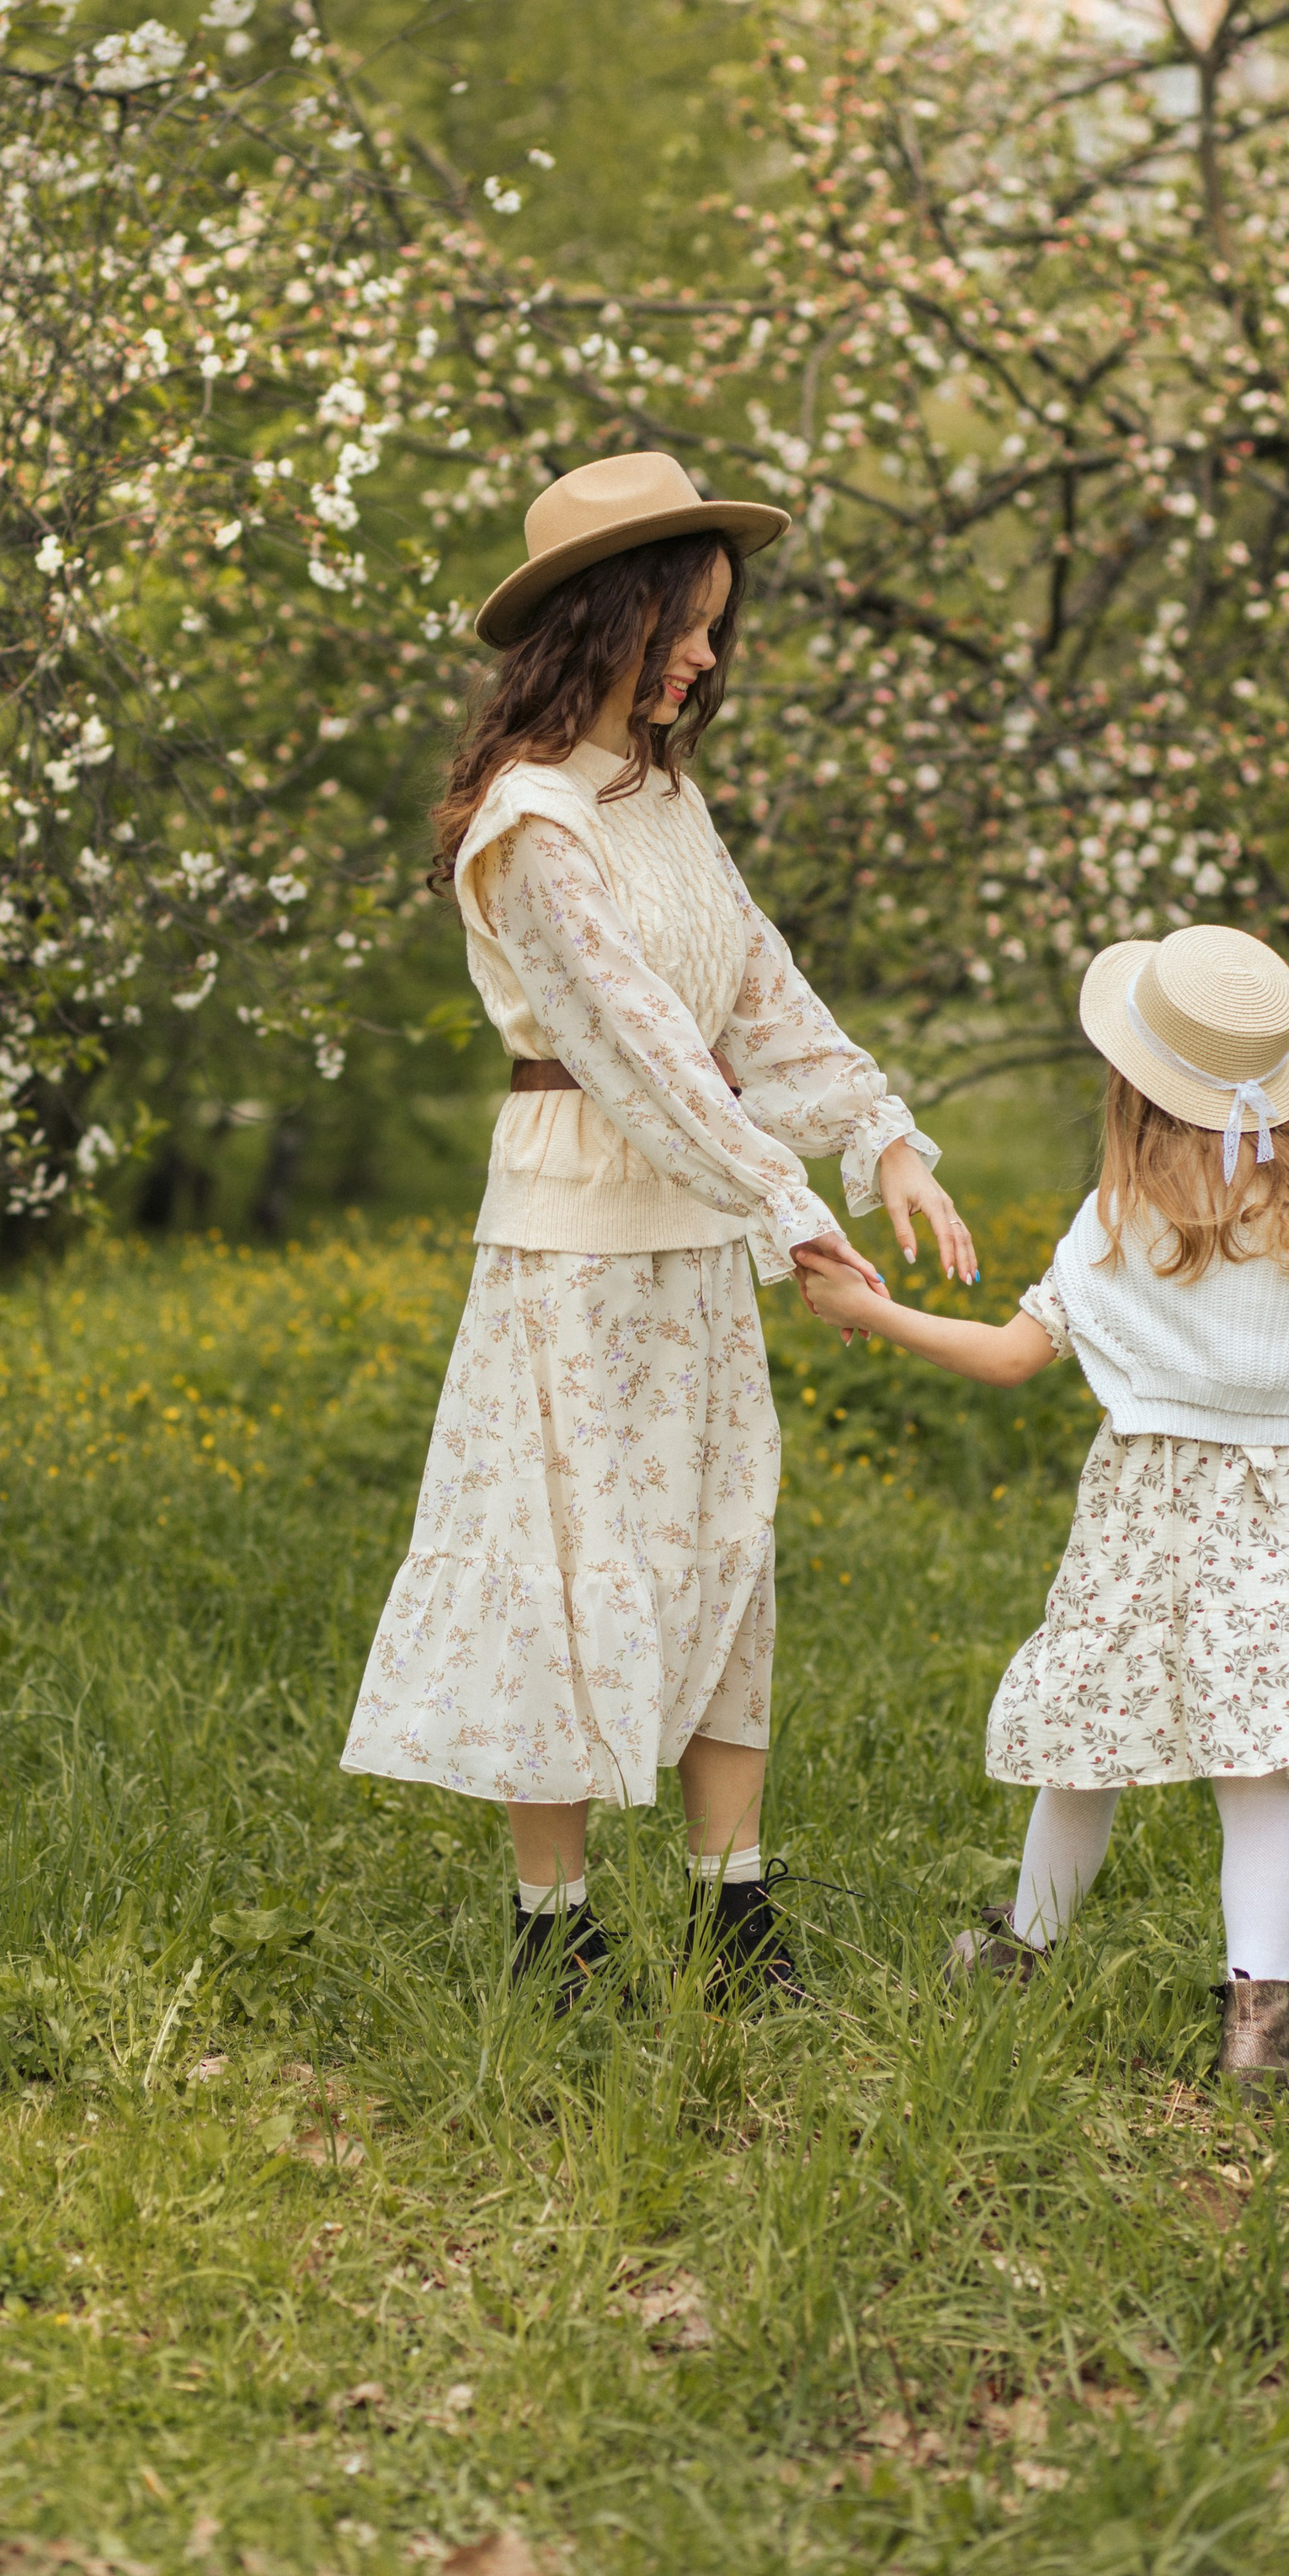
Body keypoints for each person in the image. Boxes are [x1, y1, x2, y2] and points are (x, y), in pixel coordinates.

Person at [340, 449, 975, 1999]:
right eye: (684, 622)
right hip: (576, 1241)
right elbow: (636, 1050)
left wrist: (878, 1131)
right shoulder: (531, 822)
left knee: (718, 1548)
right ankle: (549, 1930)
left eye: (716, 625)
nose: (705, 654)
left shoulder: (664, 801)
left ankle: (732, 1910)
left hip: (691, 1234)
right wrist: (783, 1203)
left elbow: (758, 993)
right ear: (605, 620)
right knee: (559, 1562)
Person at [796, 922, 1289, 2081]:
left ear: (1137, 1086)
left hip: (1152, 1520)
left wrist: (871, 1312)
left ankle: (1023, 1949)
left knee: (1088, 1741)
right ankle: (1259, 2020)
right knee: (1260, 1773)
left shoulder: (1127, 1216)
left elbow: (1007, 1357)